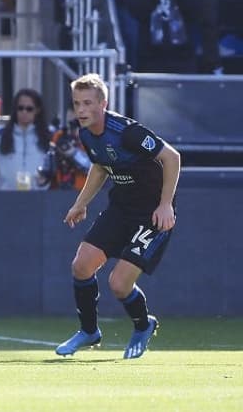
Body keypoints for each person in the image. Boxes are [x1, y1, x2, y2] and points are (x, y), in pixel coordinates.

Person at [55, 73, 180, 359]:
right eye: (77, 104)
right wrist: (80, 203)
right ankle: (89, 332)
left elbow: (171, 157)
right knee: (81, 266)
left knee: (119, 283)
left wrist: (166, 205)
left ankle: (142, 325)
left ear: (103, 103)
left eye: (88, 103)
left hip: (152, 214)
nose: (82, 110)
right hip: (121, 209)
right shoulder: (86, 134)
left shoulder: (126, 132)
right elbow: (100, 167)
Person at [0, 88, 51, 190]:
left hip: (40, 199)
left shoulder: (49, 138)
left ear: (37, 110)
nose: (24, 112)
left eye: (29, 109)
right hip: (5, 200)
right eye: (20, 108)